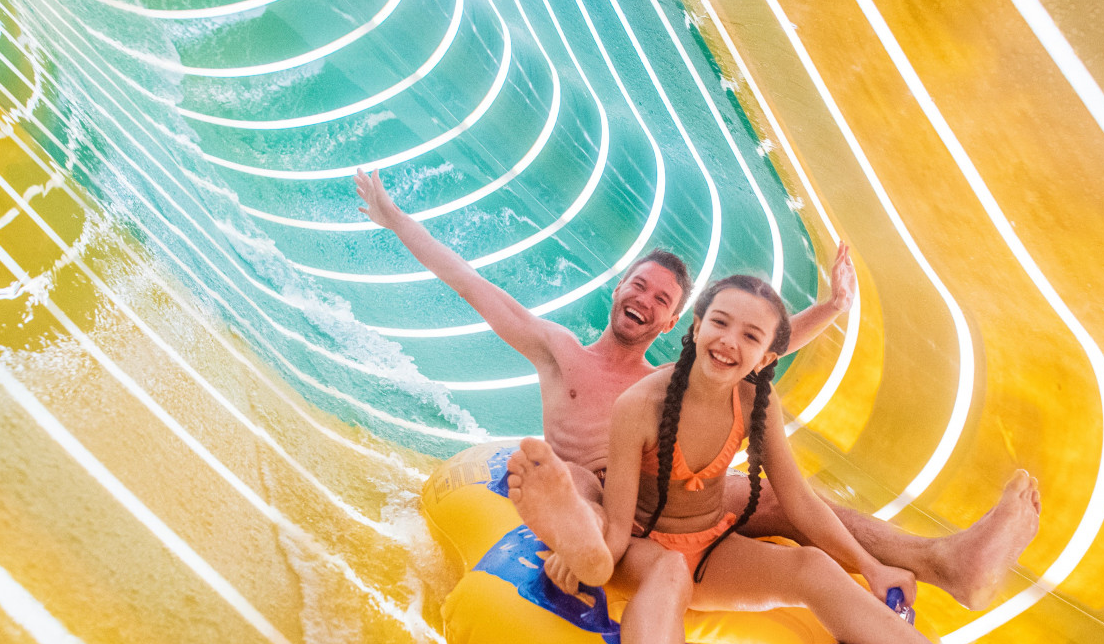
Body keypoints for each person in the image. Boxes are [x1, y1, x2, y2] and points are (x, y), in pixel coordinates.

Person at [355, 169, 1040, 607]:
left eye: (662, 301)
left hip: (665, 493)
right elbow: (472, 284)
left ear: (674, 322)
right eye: (640, 288)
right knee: (584, 488)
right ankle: (584, 543)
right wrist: (395, 219)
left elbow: (759, 348)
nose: (645, 302)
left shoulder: (670, 381)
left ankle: (949, 563)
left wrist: (830, 310)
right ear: (619, 288)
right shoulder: (558, 353)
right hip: (590, 487)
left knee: (772, 495)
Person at [562, 274, 1058, 644]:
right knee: (669, 569)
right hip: (644, 549)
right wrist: (586, 557)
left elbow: (798, 500)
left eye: (750, 334)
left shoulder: (756, 398)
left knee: (812, 566)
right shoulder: (640, 404)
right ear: (695, 327)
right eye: (720, 322)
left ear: (767, 355)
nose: (729, 341)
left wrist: (870, 564)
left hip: (709, 546)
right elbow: (620, 526)